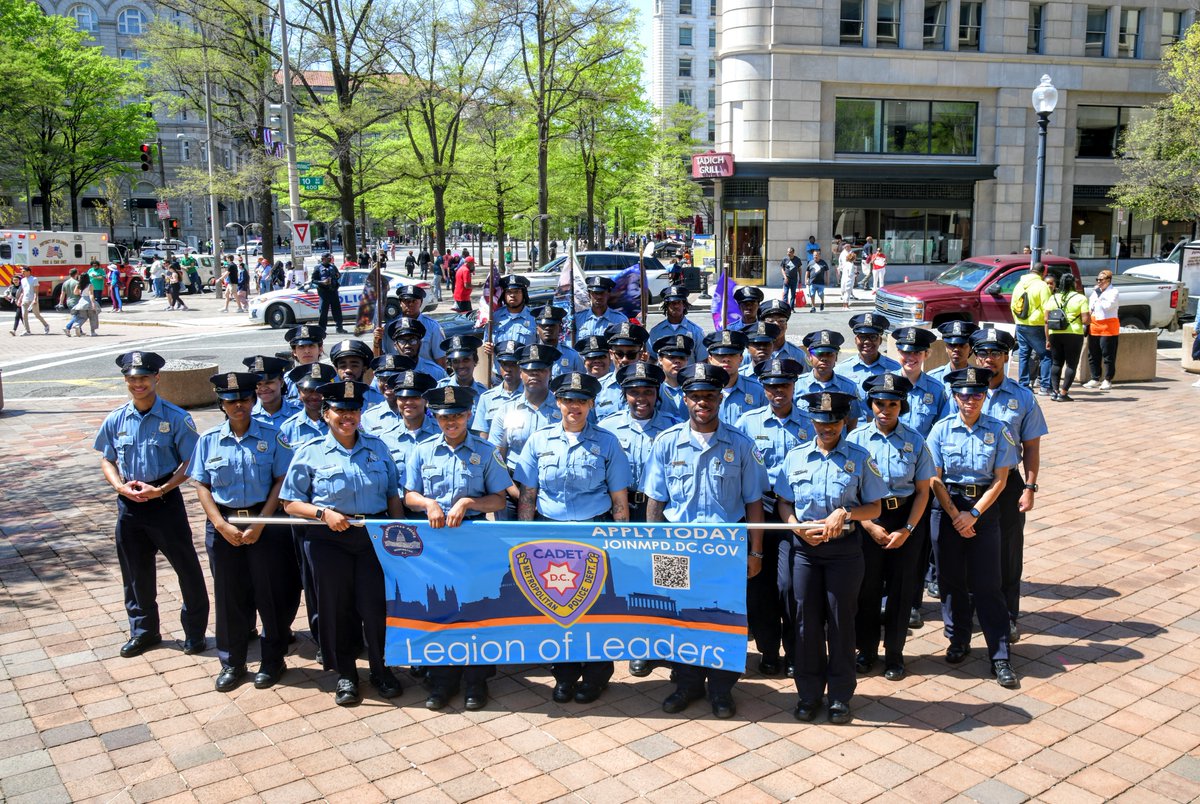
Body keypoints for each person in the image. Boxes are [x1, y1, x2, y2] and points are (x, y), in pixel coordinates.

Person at [643, 363, 766, 719]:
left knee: (723, 619)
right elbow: (655, 500)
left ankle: (723, 688)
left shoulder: (741, 445)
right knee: (679, 618)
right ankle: (686, 683)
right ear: (685, 399)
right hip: (675, 547)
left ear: (720, 398)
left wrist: (755, 551)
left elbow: (753, 502)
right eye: (695, 396)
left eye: (709, 396)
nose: (702, 402)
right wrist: (654, 548)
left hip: (724, 549)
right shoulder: (667, 443)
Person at [280, 380, 405, 706]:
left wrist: (397, 535)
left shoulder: (377, 447)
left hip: (372, 538)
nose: (347, 417)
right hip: (328, 539)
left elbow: (392, 494)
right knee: (336, 609)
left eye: (353, 410)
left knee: (375, 608)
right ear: (326, 414)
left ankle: (381, 669)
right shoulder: (310, 453)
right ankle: (347, 674)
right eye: (339, 410)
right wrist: (323, 513)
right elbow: (290, 503)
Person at [516, 372, 631, 704]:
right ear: (558, 402)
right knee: (557, 605)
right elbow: (528, 495)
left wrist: (620, 542)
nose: (574, 407)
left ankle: (596, 675)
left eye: (581, 401)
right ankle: (564, 676)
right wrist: (523, 536)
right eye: (568, 400)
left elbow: (619, 498)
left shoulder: (607, 442)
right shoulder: (538, 441)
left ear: (591, 404)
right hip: (550, 534)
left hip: (593, 534)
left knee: (594, 607)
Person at [774, 391, 887, 724]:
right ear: (812, 422)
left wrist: (846, 512)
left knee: (840, 622)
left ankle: (839, 695)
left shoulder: (860, 457)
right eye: (822, 422)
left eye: (834, 422)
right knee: (805, 622)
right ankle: (808, 694)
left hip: (844, 552)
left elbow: (876, 506)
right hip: (805, 551)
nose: (828, 428)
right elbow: (783, 502)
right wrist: (795, 528)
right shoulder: (795, 457)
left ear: (845, 421)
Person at [93, 351, 209, 659]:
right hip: (129, 505)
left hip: (164, 503)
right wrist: (119, 486)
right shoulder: (116, 418)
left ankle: (195, 633)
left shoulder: (175, 417)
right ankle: (144, 631)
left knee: (187, 569)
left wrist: (162, 489)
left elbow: (192, 460)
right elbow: (107, 458)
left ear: (156, 378)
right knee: (135, 573)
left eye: (143, 378)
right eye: (132, 379)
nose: (137, 384)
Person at [406, 385, 513, 711]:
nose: (450, 422)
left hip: (474, 541)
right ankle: (442, 681)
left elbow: (499, 498)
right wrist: (428, 503)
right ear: (434, 417)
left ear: (468, 415)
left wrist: (468, 502)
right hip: (436, 545)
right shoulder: (423, 450)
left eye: (457, 416)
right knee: (439, 611)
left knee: (474, 611)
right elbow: (408, 496)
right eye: (443, 416)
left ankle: (476, 682)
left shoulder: (486, 451)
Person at [190, 372, 295, 692]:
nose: (239, 406)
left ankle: (273, 660)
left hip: (266, 523)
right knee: (229, 597)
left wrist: (261, 523)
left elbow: (282, 481)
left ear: (252, 400)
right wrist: (220, 524)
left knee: (270, 596)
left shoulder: (273, 435)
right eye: (231, 401)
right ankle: (232, 662)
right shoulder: (209, 440)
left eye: (244, 400)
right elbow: (201, 485)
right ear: (221, 404)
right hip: (224, 526)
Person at [926, 366, 1020, 688]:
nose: (970, 400)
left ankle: (1000, 655)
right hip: (948, 506)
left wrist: (974, 515)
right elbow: (935, 477)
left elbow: (1001, 479)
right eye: (964, 395)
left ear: (984, 396)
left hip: (984, 509)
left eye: (977, 394)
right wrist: (955, 515)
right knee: (951, 581)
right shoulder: (940, 430)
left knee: (987, 585)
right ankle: (958, 639)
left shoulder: (1000, 429)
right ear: (955, 396)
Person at [848, 374, 934, 682]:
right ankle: (867, 651)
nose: (885, 410)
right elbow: (851, 491)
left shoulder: (915, 440)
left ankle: (895, 655)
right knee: (867, 590)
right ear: (870, 405)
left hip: (905, 521)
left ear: (902, 406)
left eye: (893, 404)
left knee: (902, 592)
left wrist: (908, 529)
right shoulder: (855, 440)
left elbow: (924, 490)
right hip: (868, 521)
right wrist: (869, 525)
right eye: (879, 404)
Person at [735, 358, 814, 679]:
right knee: (759, 586)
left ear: (794, 386)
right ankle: (768, 651)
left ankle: (795, 650)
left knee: (790, 586)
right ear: (763, 388)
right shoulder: (747, 423)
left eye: (783, 385)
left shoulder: (810, 424)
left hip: (795, 513)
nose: (777, 391)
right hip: (758, 511)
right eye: (770, 385)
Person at [971, 327, 1047, 644]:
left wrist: (1029, 487)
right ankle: (966, 618)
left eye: (996, 353)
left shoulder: (1022, 397)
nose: (989, 359)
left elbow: (1030, 447)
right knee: (966, 552)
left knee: (1008, 554)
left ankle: (1008, 618)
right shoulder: (959, 391)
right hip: (969, 482)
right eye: (984, 353)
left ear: (1006, 357)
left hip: (1007, 484)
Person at [599, 361, 681, 528]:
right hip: (619, 506)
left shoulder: (674, 427)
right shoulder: (607, 428)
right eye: (634, 392)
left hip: (661, 506)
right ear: (624, 395)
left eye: (648, 392)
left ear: (657, 394)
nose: (641, 398)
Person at [798, 330, 861, 431]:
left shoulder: (849, 387)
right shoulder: (797, 385)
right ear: (810, 356)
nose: (824, 358)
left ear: (836, 357)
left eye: (830, 354)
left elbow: (852, 421)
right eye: (819, 354)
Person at [702, 329, 767, 425]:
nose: (726, 359)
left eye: (732, 354)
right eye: (720, 355)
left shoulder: (758, 390)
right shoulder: (700, 392)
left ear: (741, 358)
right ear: (710, 359)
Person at [1044, 273, 1090, 401]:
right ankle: (1063, 393)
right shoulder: (1080, 298)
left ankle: (1054, 391)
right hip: (1074, 334)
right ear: (1073, 284)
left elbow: (1046, 319)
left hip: (1055, 333)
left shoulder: (1053, 298)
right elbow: (1086, 320)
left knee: (1056, 363)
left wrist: (1047, 339)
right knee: (1071, 364)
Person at [1010, 262, 1052, 394]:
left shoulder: (1019, 284)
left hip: (1020, 324)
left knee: (1023, 354)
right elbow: (1048, 308)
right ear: (1043, 273)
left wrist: (1018, 320)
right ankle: (1045, 386)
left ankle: (1023, 384)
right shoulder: (1042, 285)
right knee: (1046, 355)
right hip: (1036, 325)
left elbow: (1013, 305)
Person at [647, 285, 706, 364]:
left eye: (679, 302)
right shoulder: (655, 332)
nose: (676, 306)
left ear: (684, 305)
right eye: (672, 303)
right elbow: (651, 359)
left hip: (688, 375)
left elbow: (702, 361)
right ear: (666, 306)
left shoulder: (696, 332)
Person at [1084, 269, 1119, 391]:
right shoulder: (1095, 292)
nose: (1099, 282)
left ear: (1108, 280)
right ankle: (1095, 378)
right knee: (1093, 354)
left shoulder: (1113, 292)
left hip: (1108, 327)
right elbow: (1091, 307)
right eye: (1097, 279)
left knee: (1108, 355)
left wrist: (1100, 295)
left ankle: (1108, 379)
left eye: (1101, 280)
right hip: (1094, 325)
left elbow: (1108, 306)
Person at [242, 355, 299, 428]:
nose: (263, 388)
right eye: (258, 384)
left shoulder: (298, 412)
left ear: (281, 382)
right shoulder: (246, 415)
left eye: (268, 383)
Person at [312, 253, 346, 333]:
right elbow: (313, 280)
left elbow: (338, 275)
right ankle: (322, 329)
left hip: (333, 291)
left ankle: (339, 328)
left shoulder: (333, 267)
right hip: (324, 293)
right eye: (328, 258)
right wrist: (323, 282)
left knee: (337, 311)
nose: (330, 259)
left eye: (330, 257)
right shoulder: (318, 268)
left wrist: (337, 276)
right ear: (323, 258)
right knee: (323, 311)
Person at [11, 266, 48, 336]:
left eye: (23, 271)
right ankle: (27, 331)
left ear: (28, 272)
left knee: (37, 315)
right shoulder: (22, 280)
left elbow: (36, 291)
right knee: (24, 315)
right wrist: (20, 299)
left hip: (32, 299)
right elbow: (23, 291)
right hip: (25, 299)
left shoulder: (34, 279)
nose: (22, 273)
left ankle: (46, 325)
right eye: (22, 272)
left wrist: (35, 299)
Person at [837, 244, 856, 308]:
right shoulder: (850, 264)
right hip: (848, 280)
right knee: (847, 293)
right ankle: (846, 306)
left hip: (844, 279)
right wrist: (855, 274)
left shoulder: (846, 264)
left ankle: (844, 306)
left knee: (846, 293)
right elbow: (850, 274)